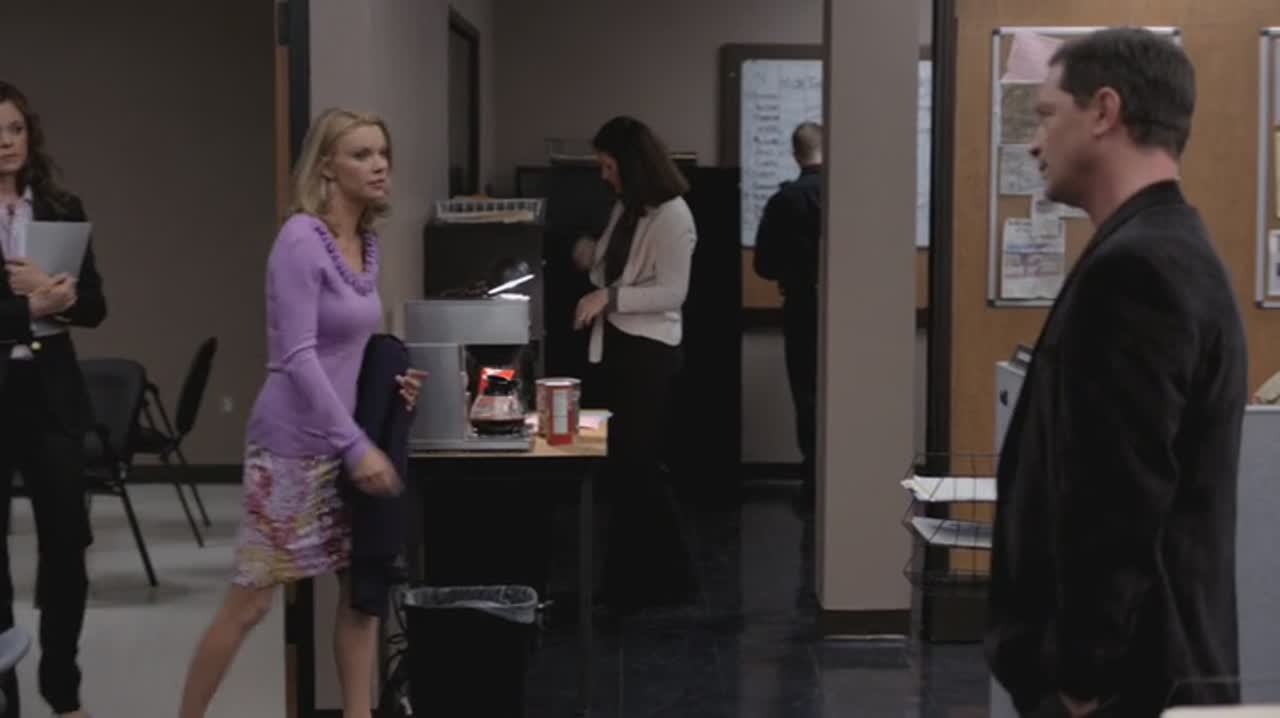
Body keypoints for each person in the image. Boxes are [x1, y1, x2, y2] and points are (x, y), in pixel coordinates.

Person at [986, 28, 1247, 718]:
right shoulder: (1167, 247)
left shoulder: (1137, 269)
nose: (1035, 143)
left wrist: (1082, 679)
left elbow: (1117, 497)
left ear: (1104, 111)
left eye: (1047, 115)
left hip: (1126, 687)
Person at [178, 108, 422, 718]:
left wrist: (394, 387)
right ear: (327, 167)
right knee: (251, 603)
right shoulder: (300, 240)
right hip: (294, 447)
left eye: (382, 153)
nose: (379, 165)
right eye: (362, 154)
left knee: (361, 595)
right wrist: (356, 446)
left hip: (345, 442)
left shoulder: (367, 244)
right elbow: (297, 356)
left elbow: (355, 349)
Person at [0, 81, 107, 718]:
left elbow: (95, 306)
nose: (5, 143)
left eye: (14, 129)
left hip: (52, 395)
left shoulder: (62, 208)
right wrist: (28, 307)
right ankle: (4, 694)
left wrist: (57, 296)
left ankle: (61, 688)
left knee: (67, 546)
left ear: (29, 134)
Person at [571, 115, 698, 614]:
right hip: (621, 348)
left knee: (640, 467)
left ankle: (664, 580)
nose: (604, 176)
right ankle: (635, 582)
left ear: (631, 164)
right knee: (627, 469)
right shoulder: (627, 208)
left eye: (609, 166)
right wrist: (590, 260)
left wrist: (609, 297)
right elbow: (608, 268)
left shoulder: (674, 216)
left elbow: (672, 293)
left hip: (650, 353)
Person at [753, 122, 822, 507]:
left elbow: (763, 265)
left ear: (796, 154)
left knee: (806, 395)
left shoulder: (783, 201)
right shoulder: (847, 196)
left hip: (801, 308)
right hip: (847, 313)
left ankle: (812, 484)